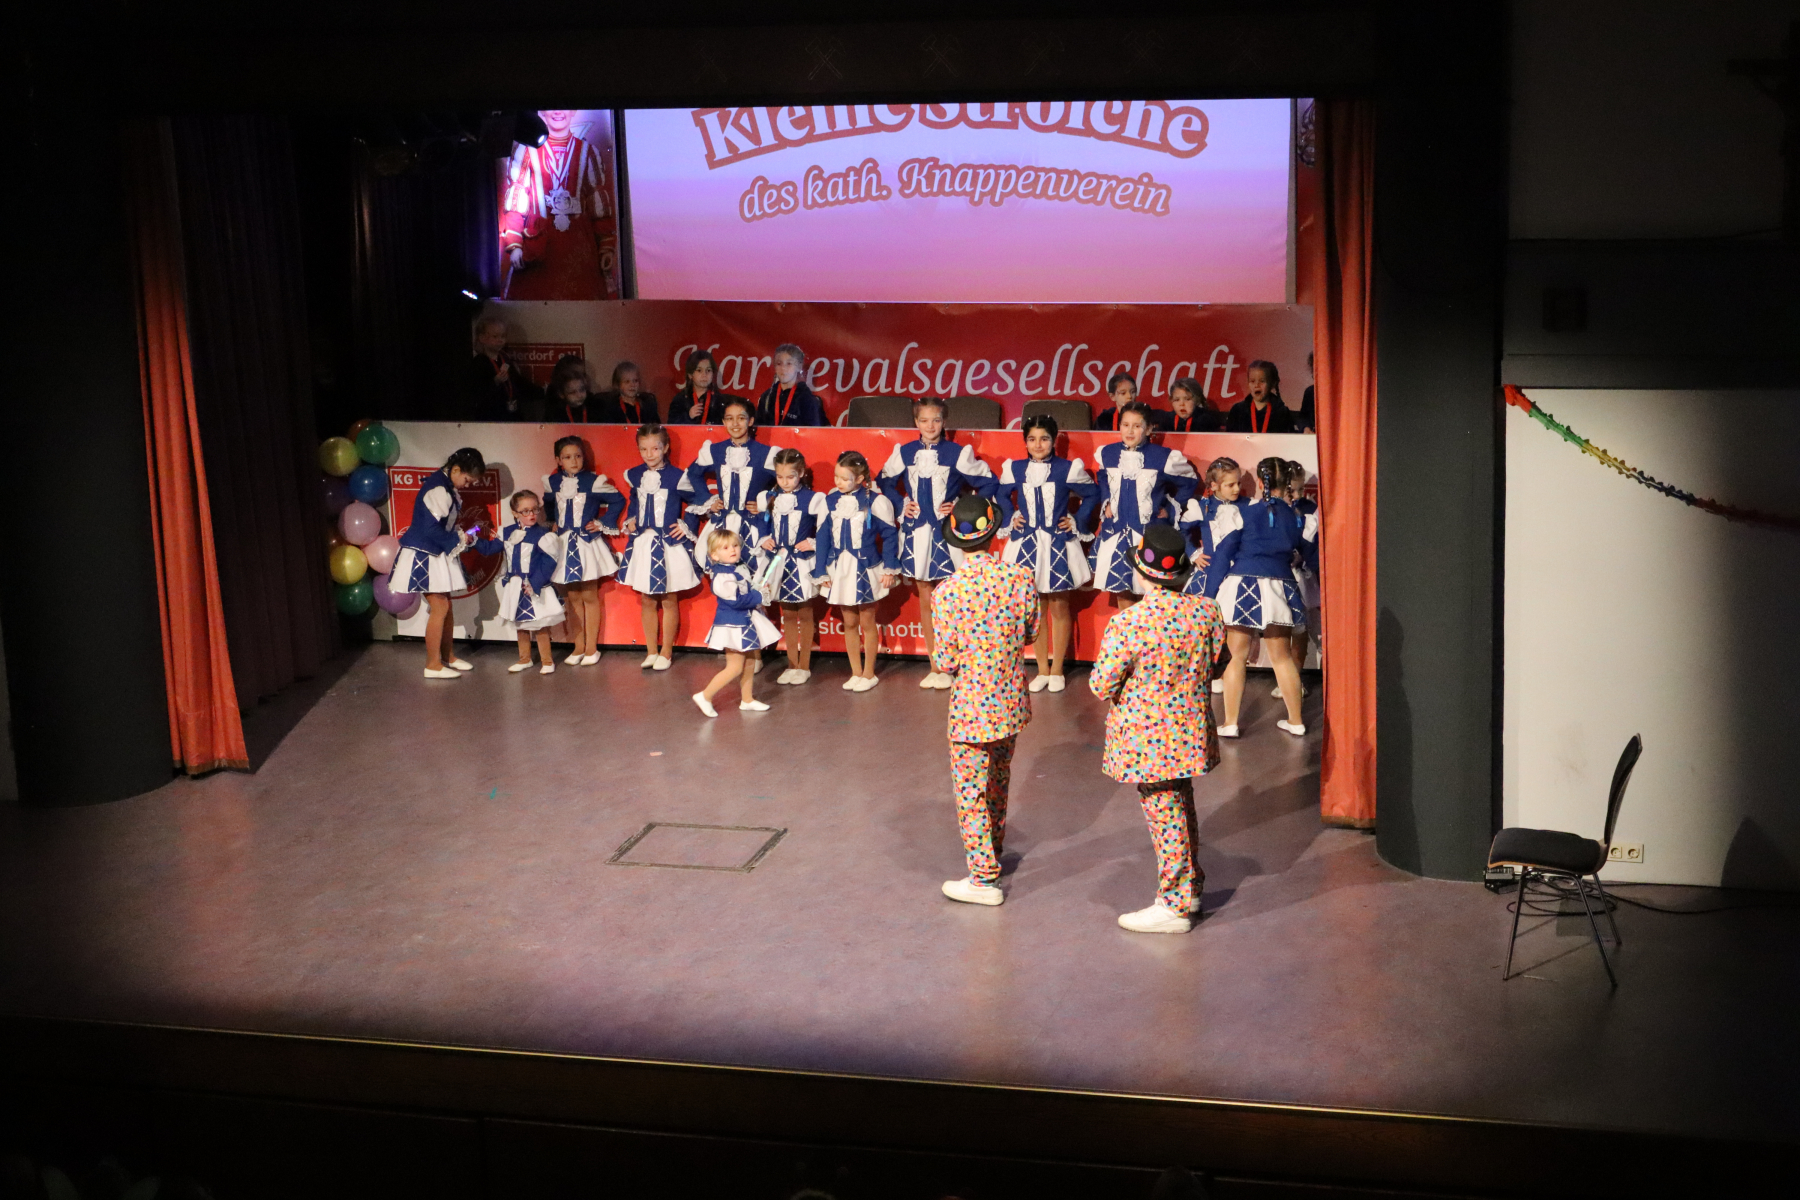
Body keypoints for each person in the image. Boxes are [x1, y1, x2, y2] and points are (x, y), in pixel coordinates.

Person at [1089, 523, 1227, 934]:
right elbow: (1219, 663)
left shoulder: (1128, 622)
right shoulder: (1207, 612)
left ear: (1142, 573)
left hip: (1148, 740)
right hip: (1190, 731)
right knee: (1182, 805)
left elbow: (1101, 685)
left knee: (1165, 814)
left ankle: (1174, 905)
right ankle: (1191, 887)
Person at [931, 493, 1040, 907]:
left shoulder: (948, 592)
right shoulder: (1020, 578)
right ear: (993, 533)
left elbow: (946, 661)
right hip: (1010, 699)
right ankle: (992, 852)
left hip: (971, 706)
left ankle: (983, 878)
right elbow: (1030, 633)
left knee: (971, 792)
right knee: (998, 779)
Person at [878, 398, 996, 690]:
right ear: (915, 423)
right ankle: (936, 665)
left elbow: (988, 483)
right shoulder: (905, 452)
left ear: (944, 422)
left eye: (936, 420)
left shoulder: (957, 452)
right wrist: (901, 503)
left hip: (948, 536)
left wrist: (960, 505)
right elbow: (885, 481)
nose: (930, 426)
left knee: (957, 600)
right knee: (926, 599)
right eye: (924, 420)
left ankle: (963, 665)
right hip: (917, 534)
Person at [1209, 457, 1317, 738]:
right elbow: (1310, 555)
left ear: (1260, 481)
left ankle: (1230, 723)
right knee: (1282, 658)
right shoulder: (1296, 517)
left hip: (1243, 585)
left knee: (1236, 656)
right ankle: (1296, 721)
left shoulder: (1242, 512)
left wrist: (1208, 596)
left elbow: (1222, 555)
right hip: (1280, 588)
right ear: (1287, 483)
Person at [995, 413, 1097, 691]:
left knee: (1060, 606)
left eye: (1044, 439)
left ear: (1053, 441)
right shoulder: (1015, 468)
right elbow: (1002, 494)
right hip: (1026, 544)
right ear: (1025, 442)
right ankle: (1041, 669)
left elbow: (1092, 494)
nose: (1038, 444)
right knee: (1036, 609)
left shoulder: (1067, 469)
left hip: (1058, 543)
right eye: (1032, 439)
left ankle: (1057, 670)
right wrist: (1010, 517)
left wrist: (1076, 520)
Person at [391, 447, 490, 679]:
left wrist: (459, 535)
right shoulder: (438, 490)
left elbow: (440, 525)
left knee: (446, 605)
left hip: (435, 551)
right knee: (440, 606)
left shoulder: (446, 487)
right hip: (424, 553)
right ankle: (432, 665)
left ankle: (447, 657)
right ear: (456, 470)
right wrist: (458, 539)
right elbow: (429, 529)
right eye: (467, 480)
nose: (467, 485)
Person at [501, 109, 618, 301]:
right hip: (538, 249)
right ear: (541, 112)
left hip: (579, 249)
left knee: (582, 308)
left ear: (573, 112)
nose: (557, 112)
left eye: (563, 107)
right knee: (535, 309)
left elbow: (598, 204)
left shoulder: (588, 152)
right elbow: (516, 199)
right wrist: (515, 245)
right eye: (551, 107)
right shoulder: (525, 151)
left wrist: (606, 246)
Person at [1090, 402, 1197, 607]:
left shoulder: (1163, 457)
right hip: (1117, 533)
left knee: (1153, 597)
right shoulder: (1107, 453)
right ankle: (1128, 628)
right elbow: (1103, 477)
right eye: (1125, 425)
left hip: (1150, 536)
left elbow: (1189, 482)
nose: (1130, 431)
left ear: (1148, 429)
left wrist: (1171, 507)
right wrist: (1107, 501)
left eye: (1137, 426)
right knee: (1123, 594)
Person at [811, 450, 900, 692]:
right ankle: (855, 672)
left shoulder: (876, 502)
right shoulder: (829, 502)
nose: (838, 482)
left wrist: (889, 568)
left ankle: (869, 673)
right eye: (836, 476)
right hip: (840, 569)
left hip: (866, 568)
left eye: (844, 478)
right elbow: (822, 538)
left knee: (867, 620)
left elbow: (890, 536)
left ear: (860, 479)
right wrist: (821, 571)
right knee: (849, 621)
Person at [617, 423, 700, 671]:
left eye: (655, 448)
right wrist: (631, 519)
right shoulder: (634, 475)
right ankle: (651, 650)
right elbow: (635, 501)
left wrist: (686, 525)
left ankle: (666, 652)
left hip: (669, 544)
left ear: (665, 448)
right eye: (644, 449)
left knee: (669, 598)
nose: (649, 454)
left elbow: (696, 502)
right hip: (644, 542)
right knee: (647, 598)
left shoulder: (677, 476)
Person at [543, 435, 623, 666]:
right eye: (568, 457)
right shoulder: (552, 482)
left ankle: (591, 648)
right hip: (564, 544)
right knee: (572, 597)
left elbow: (618, 500)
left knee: (589, 595)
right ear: (559, 460)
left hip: (587, 544)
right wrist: (552, 522)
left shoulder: (593, 481)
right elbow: (549, 503)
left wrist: (602, 522)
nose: (574, 461)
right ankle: (578, 646)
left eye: (578, 456)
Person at [755, 448, 828, 685]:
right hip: (777, 561)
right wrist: (764, 538)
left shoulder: (813, 499)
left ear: (801, 473)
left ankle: (804, 666)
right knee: (786, 613)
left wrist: (813, 542)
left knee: (805, 612)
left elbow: (825, 529)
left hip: (802, 562)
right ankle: (791, 664)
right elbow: (763, 522)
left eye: (790, 477)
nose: (785, 482)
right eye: (780, 477)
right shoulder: (769, 497)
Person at [687, 397, 782, 574]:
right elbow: (693, 474)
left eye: (741, 418)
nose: (735, 423)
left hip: (753, 525)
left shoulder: (765, 453)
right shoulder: (715, 450)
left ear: (750, 421)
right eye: (729, 418)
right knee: (722, 575)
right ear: (724, 422)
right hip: (722, 524)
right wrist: (708, 500)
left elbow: (787, 482)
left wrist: (767, 502)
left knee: (754, 576)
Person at [692, 528, 779, 717]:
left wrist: (757, 589)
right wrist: (759, 595)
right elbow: (736, 601)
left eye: (735, 546)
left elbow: (744, 591)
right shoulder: (723, 576)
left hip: (745, 621)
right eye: (725, 548)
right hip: (732, 624)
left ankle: (747, 699)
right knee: (735, 666)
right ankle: (705, 696)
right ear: (714, 555)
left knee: (750, 661)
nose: (732, 550)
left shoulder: (737, 568)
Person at [1180, 457, 1245, 696]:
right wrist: (1194, 553)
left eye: (1238, 483)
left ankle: (1225, 669)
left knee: (1230, 625)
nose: (1236, 489)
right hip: (1208, 574)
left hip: (1236, 573)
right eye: (1230, 485)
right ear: (1214, 485)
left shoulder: (1247, 506)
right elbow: (1182, 531)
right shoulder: (1202, 507)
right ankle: (1204, 670)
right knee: (1204, 623)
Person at [484, 489, 564, 675]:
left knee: (540, 625)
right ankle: (524, 659)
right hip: (515, 587)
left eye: (535, 509)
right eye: (526, 511)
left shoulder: (543, 535)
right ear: (515, 513)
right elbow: (490, 548)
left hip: (535, 587)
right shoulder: (507, 532)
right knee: (520, 624)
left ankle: (547, 661)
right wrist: (471, 541)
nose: (532, 514)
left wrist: (534, 584)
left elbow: (548, 563)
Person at [1277, 459, 1320, 701]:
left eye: (1301, 488)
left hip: (1301, 576)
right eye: (1292, 490)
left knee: (1301, 629)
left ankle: (1296, 678)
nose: (1297, 495)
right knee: (1280, 629)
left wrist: (1301, 556)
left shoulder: (1309, 509)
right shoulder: (1270, 508)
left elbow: (1312, 545)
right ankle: (1285, 679)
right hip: (1276, 575)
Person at [469, 317, 544, 422]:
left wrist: (541, 391)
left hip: (511, 415)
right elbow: (477, 392)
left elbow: (518, 381)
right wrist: (495, 382)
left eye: (503, 336)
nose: (500, 340)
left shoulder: (505, 359)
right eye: (495, 336)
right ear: (482, 338)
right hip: (491, 417)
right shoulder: (479, 362)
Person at [756, 343, 827, 427]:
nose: (783, 368)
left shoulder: (807, 399)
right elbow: (758, 429)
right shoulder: (767, 397)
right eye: (779, 363)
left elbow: (813, 432)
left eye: (789, 363)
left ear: (799, 366)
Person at [667, 349, 740, 425]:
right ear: (690, 375)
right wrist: (688, 416)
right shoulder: (680, 399)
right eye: (699, 370)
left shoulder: (720, 401)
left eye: (708, 370)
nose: (704, 375)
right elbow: (671, 425)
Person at [1225, 360, 1298, 434]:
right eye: (1252, 381)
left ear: (1272, 383)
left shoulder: (1281, 412)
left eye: (1262, 381)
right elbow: (1229, 437)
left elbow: (1288, 438)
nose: (1257, 385)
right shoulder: (1238, 411)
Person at [1093, 372, 1171, 432]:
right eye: (1123, 393)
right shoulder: (1105, 419)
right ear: (1112, 396)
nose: (1129, 396)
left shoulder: (1150, 416)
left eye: (1133, 392)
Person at [548, 356, 601, 423]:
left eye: (583, 374)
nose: (579, 395)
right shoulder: (556, 411)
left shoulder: (594, 405)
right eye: (573, 392)